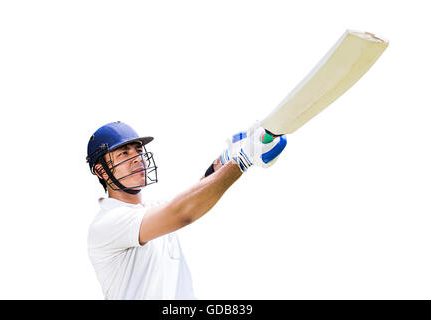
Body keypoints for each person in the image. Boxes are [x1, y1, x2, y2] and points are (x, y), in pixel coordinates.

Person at [86, 121, 287, 299]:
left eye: (138, 150)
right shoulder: (108, 222)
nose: (137, 158)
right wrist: (242, 160)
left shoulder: (149, 211)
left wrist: (228, 155)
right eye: (124, 153)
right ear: (101, 170)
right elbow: (182, 212)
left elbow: (201, 189)